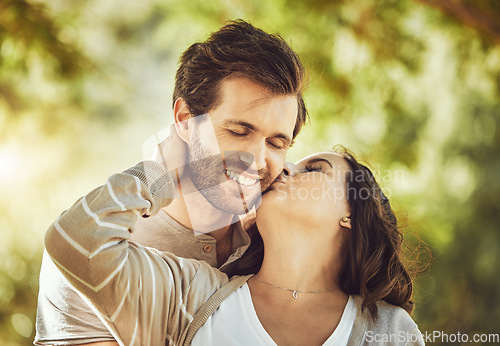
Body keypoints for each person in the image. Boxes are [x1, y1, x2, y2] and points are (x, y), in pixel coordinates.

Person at [35, 19, 308, 345]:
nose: (258, 160)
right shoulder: (98, 248)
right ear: (185, 119)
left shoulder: (278, 237)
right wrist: (157, 173)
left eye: (277, 143)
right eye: (239, 131)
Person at [44, 147, 425, 345]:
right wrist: (169, 172)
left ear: (352, 215)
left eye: (314, 169)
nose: (284, 168)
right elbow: (76, 240)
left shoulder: (390, 331)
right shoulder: (191, 297)